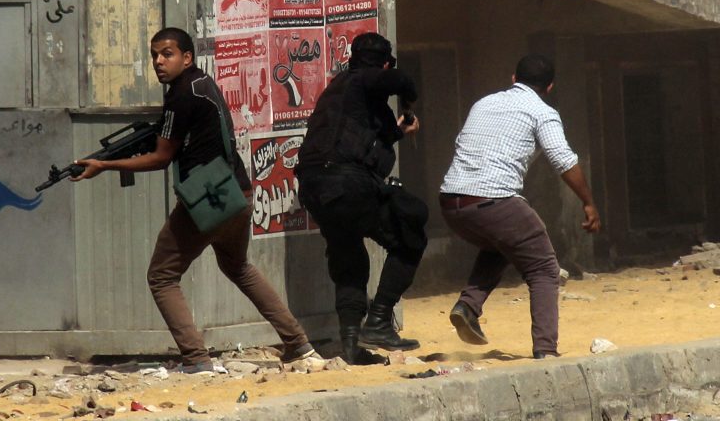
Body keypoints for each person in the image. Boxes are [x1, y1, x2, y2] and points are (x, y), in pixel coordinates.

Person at [70, 27, 319, 371]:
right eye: (154, 55)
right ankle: (297, 342)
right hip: (238, 193)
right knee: (238, 267)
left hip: (208, 200)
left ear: (187, 57)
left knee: (161, 275)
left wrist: (104, 165)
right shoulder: (201, 83)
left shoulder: (181, 96)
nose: (158, 61)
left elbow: (161, 157)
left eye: (167, 54)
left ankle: (196, 358)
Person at [439, 53, 601, 359]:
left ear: (513, 79)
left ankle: (468, 306)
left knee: (503, 242)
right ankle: (545, 350)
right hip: (493, 199)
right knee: (544, 268)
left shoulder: (483, 103)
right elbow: (563, 159)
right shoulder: (542, 112)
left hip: (450, 200)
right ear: (550, 87)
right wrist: (588, 202)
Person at [295, 32, 428, 365]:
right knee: (410, 229)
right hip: (346, 184)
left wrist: (399, 131)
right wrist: (409, 96)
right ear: (383, 64)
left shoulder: (341, 92)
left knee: (349, 258)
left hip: (317, 189)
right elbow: (398, 80)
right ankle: (380, 320)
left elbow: (365, 141)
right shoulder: (362, 79)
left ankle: (351, 345)